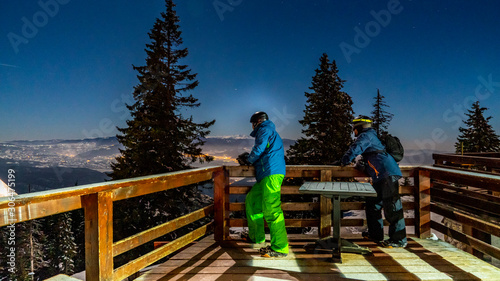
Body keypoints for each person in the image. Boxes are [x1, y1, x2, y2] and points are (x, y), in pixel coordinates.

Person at [340, 115, 407, 248]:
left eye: (354, 129)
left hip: (387, 174)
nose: (353, 132)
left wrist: (344, 160)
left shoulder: (366, 136)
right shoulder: (370, 136)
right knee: (372, 204)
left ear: (360, 127)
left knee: (392, 207)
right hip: (380, 176)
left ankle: (399, 240)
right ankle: (375, 234)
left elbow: (356, 148)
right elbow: (372, 158)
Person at [242, 111, 289, 257]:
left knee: (271, 209)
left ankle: (280, 248)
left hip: (271, 174)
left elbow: (260, 147)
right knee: (252, 201)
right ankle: (257, 237)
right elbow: (264, 151)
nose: (252, 126)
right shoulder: (268, 130)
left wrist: (248, 160)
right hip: (266, 175)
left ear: (258, 121)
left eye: (253, 123)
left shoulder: (265, 129)